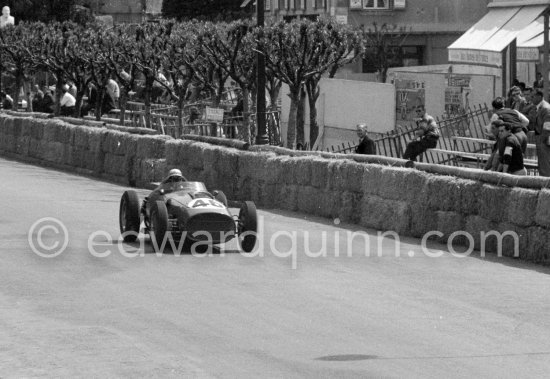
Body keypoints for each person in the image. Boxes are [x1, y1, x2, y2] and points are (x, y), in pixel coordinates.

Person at [531, 89, 550, 176]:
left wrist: (542, 140)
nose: (531, 99)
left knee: (544, 164)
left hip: (544, 140)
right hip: (541, 138)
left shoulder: (545, 108)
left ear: (539, 97)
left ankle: (546, 185)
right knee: (542, 164)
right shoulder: (539, 108)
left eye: (533, 96)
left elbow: (547, 126)